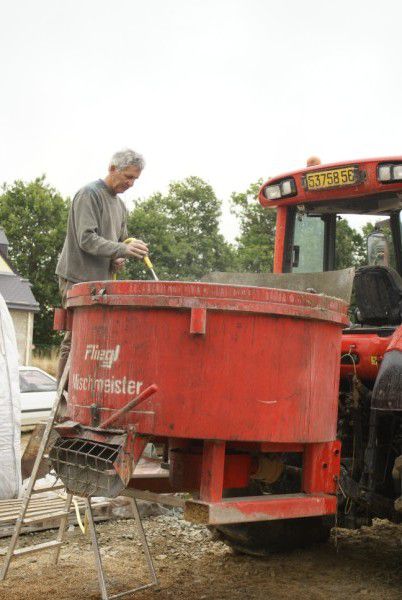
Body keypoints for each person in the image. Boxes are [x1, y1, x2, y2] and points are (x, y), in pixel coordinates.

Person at [55, 148, 149, 381]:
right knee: (75, 337)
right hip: (77, 278)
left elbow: (118, 243)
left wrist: (119, 257)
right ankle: (64, 399)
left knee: (97, 340)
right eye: (128, 177)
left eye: (135, 179)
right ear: (112, 169)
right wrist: (121, 249)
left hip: (102, 282)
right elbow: (86, 239)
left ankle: (87, 392)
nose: (131, 183)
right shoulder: (89, 194)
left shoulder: (120, 206)